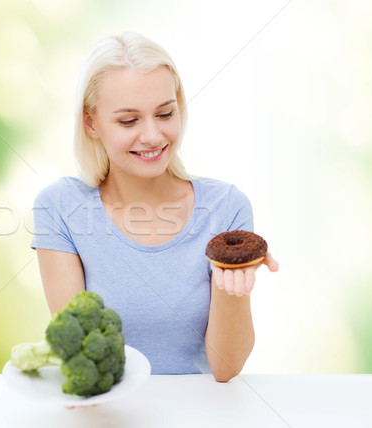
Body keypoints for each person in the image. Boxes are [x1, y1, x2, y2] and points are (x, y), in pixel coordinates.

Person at [30, 32, 279, 382]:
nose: (152, 135)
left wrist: (232, 280)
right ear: (91, 122)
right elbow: (81, 354)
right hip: (106, 413)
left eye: (164, 113)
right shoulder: (61, 208)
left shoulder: (226, 208)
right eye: (128, 121)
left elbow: (226, 368)